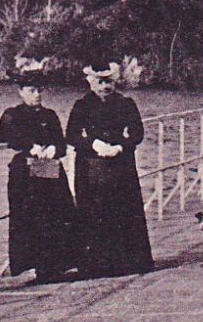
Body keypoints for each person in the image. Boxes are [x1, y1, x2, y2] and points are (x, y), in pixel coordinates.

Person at [66, 59, 154, 277]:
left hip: (120, 164)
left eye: (108, 82)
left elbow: (137, 133)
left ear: (114, 82)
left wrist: (120, 146)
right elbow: (71, 135)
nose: (104, 87)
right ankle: (95, 264)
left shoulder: (126, 104)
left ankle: (128, 261)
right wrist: (93, 144)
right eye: (100, 82)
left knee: (123, 210)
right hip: (90, 166)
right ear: (90, 82)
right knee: (93, 211)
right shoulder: (81, 105)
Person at [0, 70, 77, 283]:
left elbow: (61, 143)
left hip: (47, 166)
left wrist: (53, 150)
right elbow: (1, 135)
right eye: (31, 90)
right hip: (25, 171)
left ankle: (54, 265)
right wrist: (29, 146)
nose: (37, 94)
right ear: (21, 92)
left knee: (56, 213)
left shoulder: (49, 115)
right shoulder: (13, 114)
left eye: (39, 90)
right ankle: (30, 266)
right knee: (28, 216)